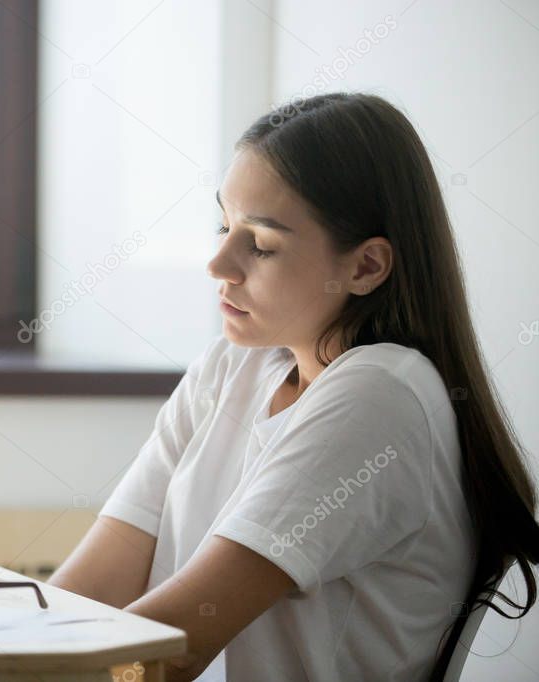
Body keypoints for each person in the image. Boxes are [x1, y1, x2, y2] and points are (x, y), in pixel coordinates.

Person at [48, 92, 539, 681]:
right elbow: (81, 598)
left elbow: (168, 651)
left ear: (365, 268)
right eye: (224, 226)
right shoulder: (233, 366)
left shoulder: (380, 394)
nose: (218, 264)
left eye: (260, 244)